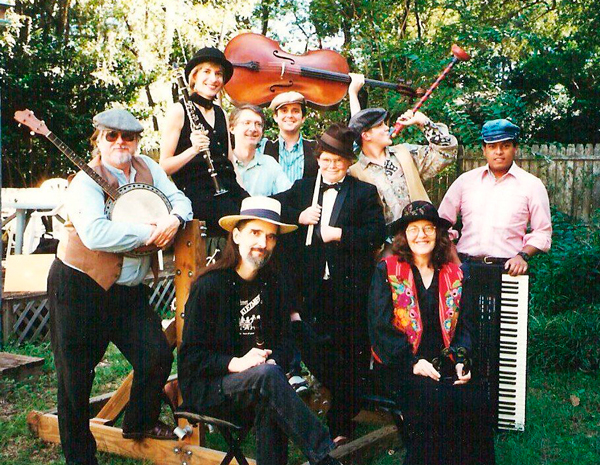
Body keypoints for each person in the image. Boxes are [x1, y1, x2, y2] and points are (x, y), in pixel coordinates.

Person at [47, 109, 193, 465]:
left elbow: (180, 199)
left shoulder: (148, 168)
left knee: (156, 354)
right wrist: (150, 232)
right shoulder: (85, 181)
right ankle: (80, 458)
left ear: (137, 141)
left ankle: (139, 421)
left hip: (127, 292)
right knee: (75, 378)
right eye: (111, 136)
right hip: (80, 287)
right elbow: (96, 233)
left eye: (128, 137)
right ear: (98, 139)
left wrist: (174, 219)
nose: (120, 142)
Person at [178, 197, 343, 465]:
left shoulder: (274, 284)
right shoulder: (209, 286)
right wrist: (237, 363)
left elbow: (285, 343)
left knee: (270, 382)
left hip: (261, 383)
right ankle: (325, 455)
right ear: (236, 235)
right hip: (210, 389)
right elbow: (190, 360)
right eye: (255, 233)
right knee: (268, 380)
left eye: (270, 237)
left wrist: (275, 360)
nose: (263, 243)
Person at [276, 123, 386, 442]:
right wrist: (298, 217)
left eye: (338, 161)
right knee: (316, 349)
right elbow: (274, 206)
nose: (331, 166)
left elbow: (376, 234)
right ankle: (338, 401)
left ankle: (341, 424)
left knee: (351, 353)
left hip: (349, 289)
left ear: (348, 163)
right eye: (326, 160)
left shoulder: (364, 193)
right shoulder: (303, 188)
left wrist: (339, 234)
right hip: (312, 289)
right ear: (318, 159)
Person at [368, 201, 496, 465]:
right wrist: (413, 363)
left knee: (474, 400)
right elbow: (379, 327)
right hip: (401, 363)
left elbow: (465, 326)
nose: (421, 235)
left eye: (428, 228)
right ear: (404, 236)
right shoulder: (387, 270)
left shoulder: (455, 274)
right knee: (434, 402)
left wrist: (461, 359)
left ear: (438, 234)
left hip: (444, 361)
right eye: (413, 229)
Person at [438, 118, 552, 275]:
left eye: (505, 146)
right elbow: (440, 225)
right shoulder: (465, 182)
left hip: (508, 269)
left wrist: (522, 256)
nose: (499, 152)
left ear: (515, 148)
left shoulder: (532, 185)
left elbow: (542, 232)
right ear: (484, 149)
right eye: (492, 146)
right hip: (464, 265)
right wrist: (457, 263)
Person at [347, 74, 458, 226]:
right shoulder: (354, 173)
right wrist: (352, 93)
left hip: (420, 236)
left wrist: (423, 123)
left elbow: (446, 153)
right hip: (384, 241)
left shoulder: (406, 154)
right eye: (380, 125)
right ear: (366, 135)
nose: (387, 128)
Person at [160, 47, 247, 240]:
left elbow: (230, 162)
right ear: (194, 77)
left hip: (229, 190)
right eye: (206, 72)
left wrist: (243, 194)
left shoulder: (221, 113)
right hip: (198, 195)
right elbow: (164, 167)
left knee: (259, 215)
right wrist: (193, 150)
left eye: (218, 74)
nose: (213, 79)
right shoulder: (178, 110)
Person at [230, 104, 292, 196]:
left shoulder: (270, 164)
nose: (253, 129)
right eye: (247, 123)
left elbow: (289, 195)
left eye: (258, 124)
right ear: (232, 128)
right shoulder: (223, 164)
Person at [259, 91, 318, 182]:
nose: (289, 115)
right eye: (284, 111)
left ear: (303, 118)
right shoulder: (263, 148)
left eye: (295, 111)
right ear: (275, 117)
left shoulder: (316, 148)